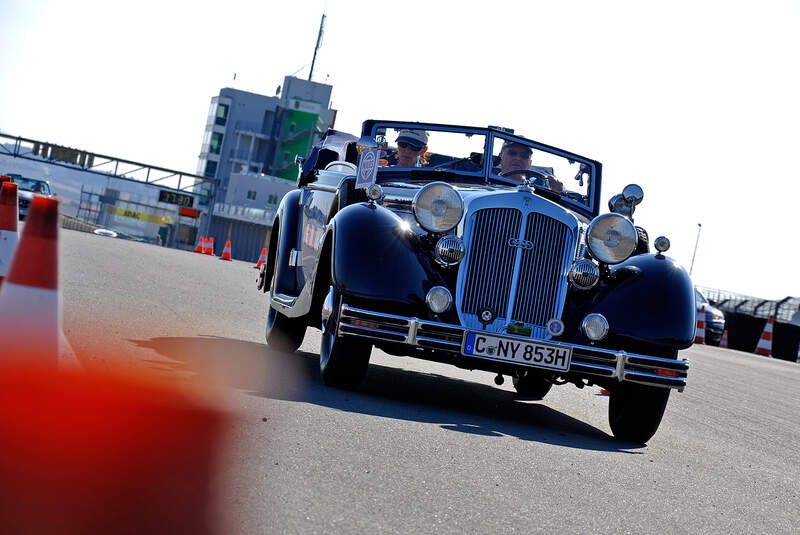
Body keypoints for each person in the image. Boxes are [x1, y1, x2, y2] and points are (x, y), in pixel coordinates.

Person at [497, 140, 563, 193]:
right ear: (500, 156)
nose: (518, 158)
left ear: (530, 163)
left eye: (524, 156)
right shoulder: (489, 182)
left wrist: (557, 191)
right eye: (512, 153)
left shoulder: (537, 190)